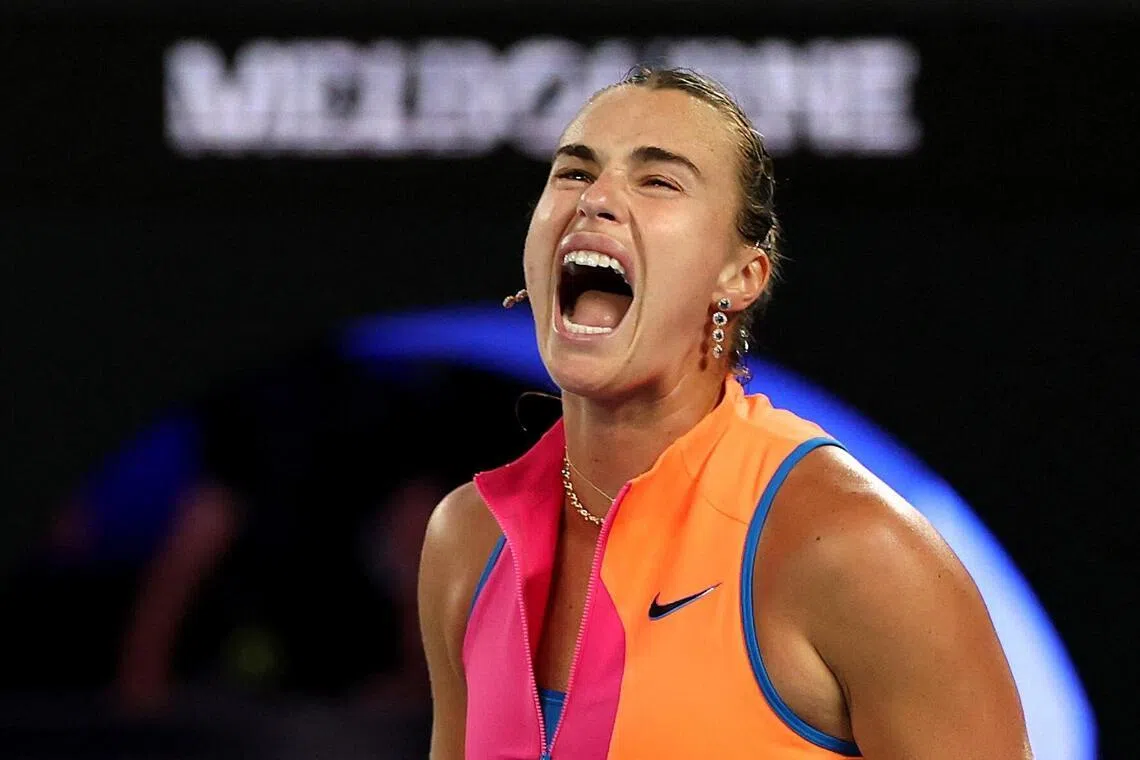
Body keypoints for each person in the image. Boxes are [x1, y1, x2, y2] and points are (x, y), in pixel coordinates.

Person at [417, 66, 1032, 760]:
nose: (596, 200)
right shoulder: (466, 542)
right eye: (574, 172)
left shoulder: (853, 549)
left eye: (658, 181)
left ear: (740, 277)